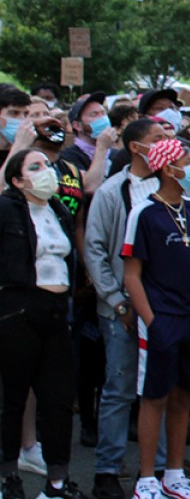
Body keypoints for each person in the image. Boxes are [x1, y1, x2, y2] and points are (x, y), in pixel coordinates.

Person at [122, 139, 190, 499]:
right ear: (166, 167)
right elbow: (132, 274)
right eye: (185, 160)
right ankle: (146, 478)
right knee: (154, 396)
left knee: (184, 396)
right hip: (163, 316)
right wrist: (152, 319)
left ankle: (174, 474)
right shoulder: (143, 213)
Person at [82, 118, 170, 499]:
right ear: (136, 147)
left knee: (161, 388)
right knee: (119, 389)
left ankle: (162, 467)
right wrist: (115, 300)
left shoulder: (173, 188)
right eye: (158, 138)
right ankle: (108, 469)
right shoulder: (111, 191)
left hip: (165, 307)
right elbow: (95, 248)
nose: (168, 143)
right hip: (122, 308)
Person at [0, 150, 87, 499]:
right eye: (34, 167)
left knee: (58, 400)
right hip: (17, 311)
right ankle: (7, 479)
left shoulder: (58, 209)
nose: (46, 172)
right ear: (18, 180)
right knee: (12, 399)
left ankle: (57, 483)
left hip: (56, 311)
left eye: (46, 165)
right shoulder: (6, 209)